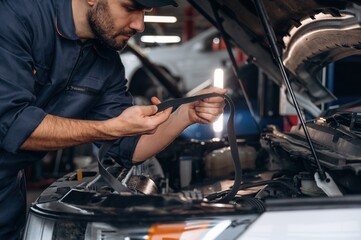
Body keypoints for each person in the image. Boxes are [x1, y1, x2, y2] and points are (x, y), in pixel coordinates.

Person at [0, 0, 227, 238]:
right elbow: (13, 125)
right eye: (130, 8)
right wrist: (109, 129)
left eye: (145, 12)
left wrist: (185, 115)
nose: (140, 25)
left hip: (7, 194)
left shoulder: (106, 63)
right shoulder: (16, 16)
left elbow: (130, 148)